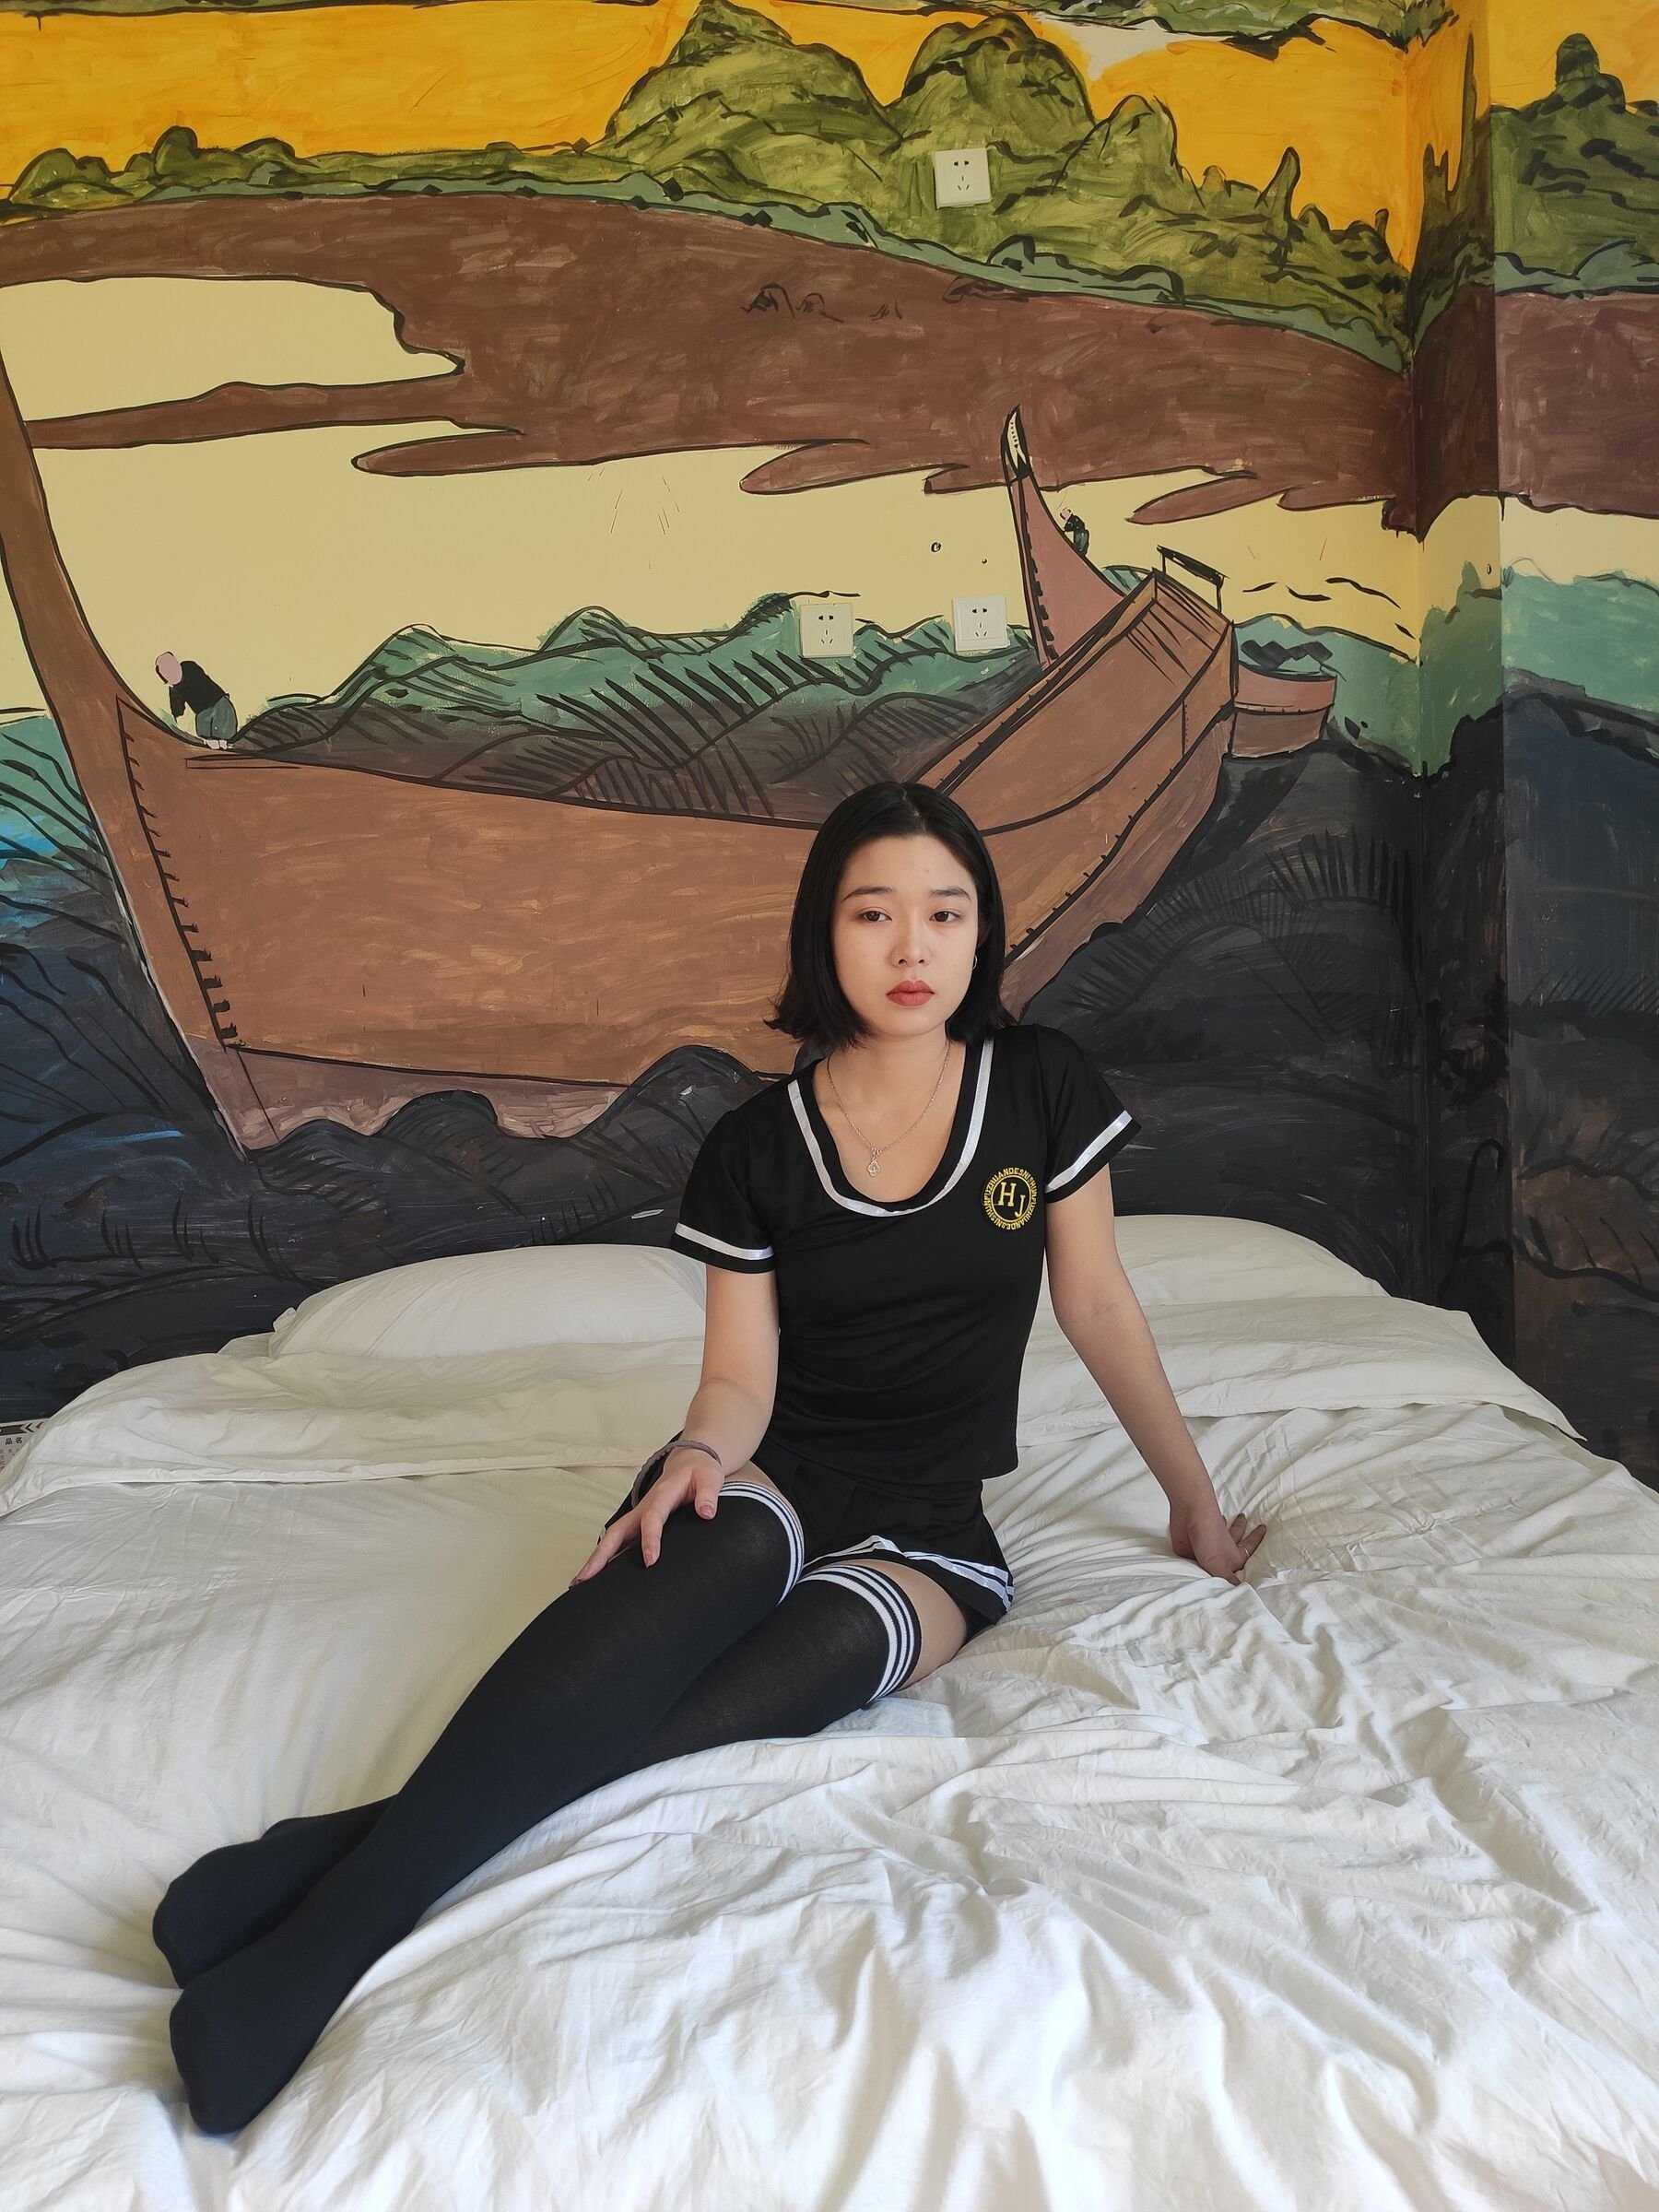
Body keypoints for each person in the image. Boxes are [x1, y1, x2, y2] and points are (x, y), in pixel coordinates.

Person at [155, 779, 1268, 2135]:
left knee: (703, 1712)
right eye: (873, 914)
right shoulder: (755, 1147)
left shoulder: (1041, 1085)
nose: (912, 948)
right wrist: (696, 1449)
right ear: (822, 934)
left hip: (933, 1536)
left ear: (983, 933)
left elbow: (1098, 1304)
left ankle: (344, 1856)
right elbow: (740, 1377)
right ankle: (327, 1948)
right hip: (776, 1468)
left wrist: (1196, 1506)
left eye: (945, 914)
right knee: (710, 1548)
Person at [155, 651, 238, 747]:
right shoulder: (175, 690)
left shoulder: (189, 667)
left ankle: (224, 743)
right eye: (166, 673)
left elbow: (200, 681)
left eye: (172, 667)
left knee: (224, 734)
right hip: (203, 714)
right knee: (206, 734)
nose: (171, 672)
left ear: (177, 663)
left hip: (219, 702)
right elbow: (178, 712)